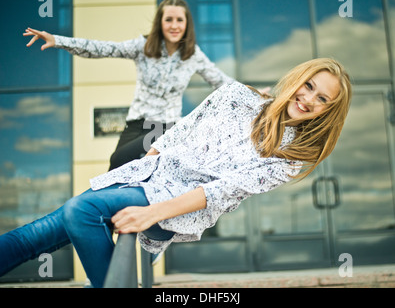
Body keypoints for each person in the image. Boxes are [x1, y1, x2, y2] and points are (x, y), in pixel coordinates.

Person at [0, 58, 352, 288]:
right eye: (309, 86)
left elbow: (220, 193)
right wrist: (147, 162)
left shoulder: (291, 157)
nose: (309, 99)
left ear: (327, 112)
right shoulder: (234, 94)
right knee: (36, 236)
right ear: (297, 79)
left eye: (323, 100)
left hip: (175, 205)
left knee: (82, 210)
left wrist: (151, 213)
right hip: (146, 176)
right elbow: (181, 130)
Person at [23, 0, 233, 170]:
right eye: (169, 19)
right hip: (134, 126)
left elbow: (221, 82)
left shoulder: (192, 54)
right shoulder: (143, 47)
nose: (174, 25)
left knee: (121, 160)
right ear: (160, 22)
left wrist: (252, 94)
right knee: (115, 170)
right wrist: (59, 40)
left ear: (187, 24)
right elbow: (103, 48)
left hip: (163, 127)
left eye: (180, 20)